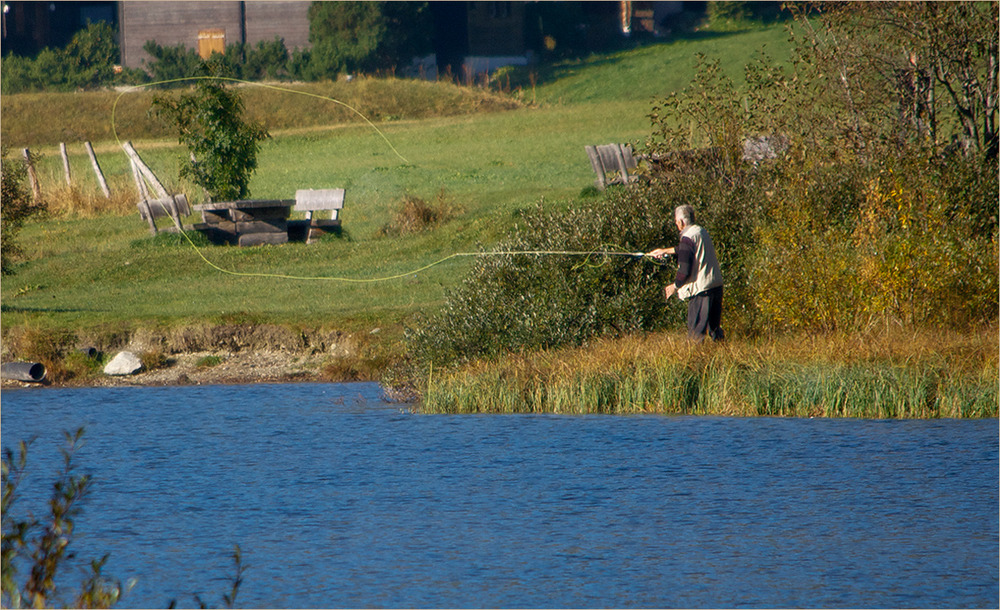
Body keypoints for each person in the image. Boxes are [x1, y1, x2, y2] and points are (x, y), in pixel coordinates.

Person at [647, 205, 725, 341]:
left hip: (701, 291)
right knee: (715, 331)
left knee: (696, 335)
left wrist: (674, 287)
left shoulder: (687, 238)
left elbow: (684, 270)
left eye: (676, 221)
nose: (676, 224)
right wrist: (665, 251)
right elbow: (687, 249)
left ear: (681, 222)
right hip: (715, 286)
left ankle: (696, 361)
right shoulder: (701, 231)